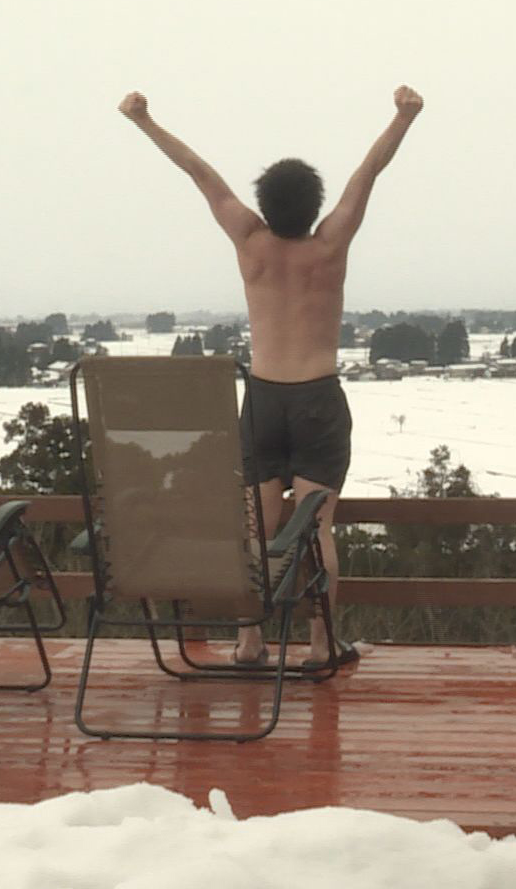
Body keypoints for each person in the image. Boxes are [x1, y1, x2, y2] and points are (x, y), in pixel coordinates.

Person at [118, 84, 424, 665]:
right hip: (317, 400)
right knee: (318, 529)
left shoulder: (249, 241)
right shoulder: (330, 245)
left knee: (255, 532)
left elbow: (200, 173)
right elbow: (368, 173)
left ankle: (249, 641)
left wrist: (144, 121)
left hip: (262, 401)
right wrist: (403, 117)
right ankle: (320, 645)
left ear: (263, 204)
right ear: (314, 206)